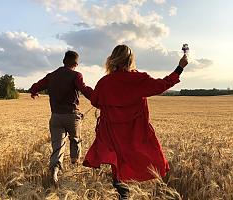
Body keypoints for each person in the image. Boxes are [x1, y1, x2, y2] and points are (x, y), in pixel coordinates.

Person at [83, 44, 188, 199]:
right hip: (135, 130)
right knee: (140, 158)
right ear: (131, 60)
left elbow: (95, 101)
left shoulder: (104, 82)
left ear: (113, 59)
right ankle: (125, 192)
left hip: (112, 131)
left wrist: (87, 89)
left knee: (118, 164)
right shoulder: (139, 79)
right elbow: (162, 84)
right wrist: (180, 67)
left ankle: (122, 193)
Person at [30, 50, 93, 184]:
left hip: (56, 117)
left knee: (57, 147)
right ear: (76, 63)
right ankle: (74, 166)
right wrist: (97, 98)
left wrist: (34, 91)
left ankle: (54, 171)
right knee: (75, 140)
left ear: (63, 61)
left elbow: (36, 86)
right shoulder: (76, 75)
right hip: (72, 116)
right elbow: (84, 89)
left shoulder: (51, 76)